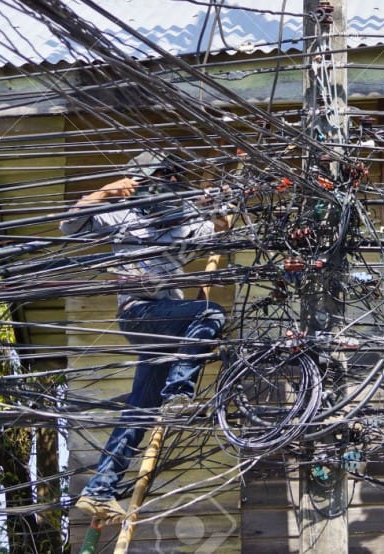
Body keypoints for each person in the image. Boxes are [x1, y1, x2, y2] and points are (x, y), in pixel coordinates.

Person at [61, 151, 227, 523]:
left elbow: (220, 225)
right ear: (139, 185)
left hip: (167, 326)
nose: (168, 182)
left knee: (139, 412)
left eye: (173, 177)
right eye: (160, 177)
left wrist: (219, 205)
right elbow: (69, 225)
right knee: (209, 313)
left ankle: (100, 489)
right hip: (139, 313)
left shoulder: (184, 219)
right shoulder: (123, 216)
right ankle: (179, 393)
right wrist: (106, 192)